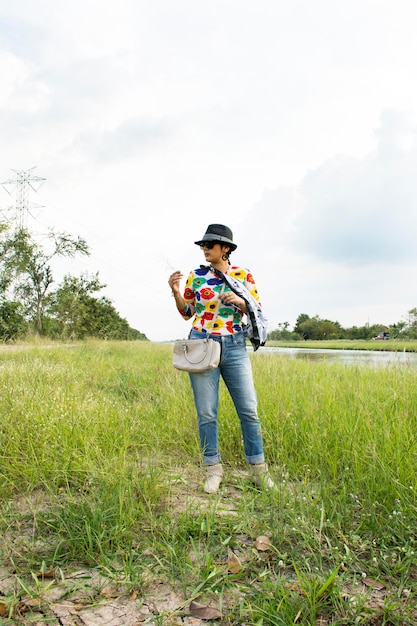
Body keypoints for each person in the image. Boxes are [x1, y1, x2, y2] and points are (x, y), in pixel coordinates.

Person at [168, 224, 275, 494]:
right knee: (206, 413)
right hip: (202, 343)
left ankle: (258, 471)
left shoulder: (243, 275)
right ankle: (213, 470)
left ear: (225, 249)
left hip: (235, 345)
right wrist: (176, 292)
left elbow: (255, 309)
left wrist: (239, 302)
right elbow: (187, 312)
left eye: (210, 245)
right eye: (203, 245)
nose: (205, 248)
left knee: (249, 410)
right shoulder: (197, 276)